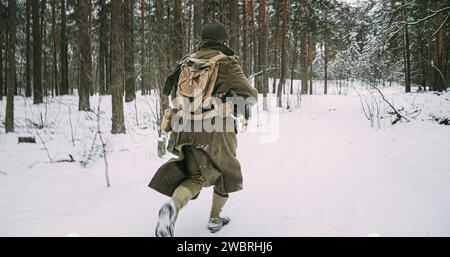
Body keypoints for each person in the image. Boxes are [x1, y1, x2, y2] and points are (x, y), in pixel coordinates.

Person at [149, 22, 258, 237]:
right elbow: (250, 96)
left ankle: (171, 208)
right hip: (216, 131)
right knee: (227, 173)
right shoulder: (226, 63)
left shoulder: (187, 62)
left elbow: (172, 93)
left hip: (185, 128)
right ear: (223, 41)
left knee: (196, 177)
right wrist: (233, 104)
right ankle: (215, 219)